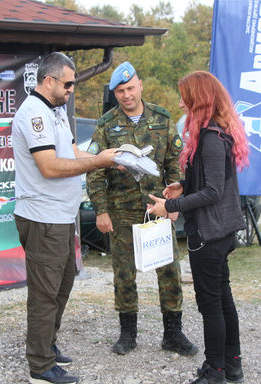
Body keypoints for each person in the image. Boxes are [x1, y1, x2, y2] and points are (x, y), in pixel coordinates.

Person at [12, 52, 119, 384]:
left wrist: (112, 158)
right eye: (69, 83)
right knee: (46, 291)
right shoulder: (33, 114)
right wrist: (98, 162)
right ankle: (40, 366)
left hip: (61, 215)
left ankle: (47, 343)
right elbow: (50, 166)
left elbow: (71, 154)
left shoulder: (56, 111)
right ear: (49, 81)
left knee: (63, 283)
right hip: (43, 217)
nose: (72, 89)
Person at [86, 61, 198, 357]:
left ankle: (173, 333)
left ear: (140, 85)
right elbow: (95, 170)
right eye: (120, 91)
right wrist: (101, 210)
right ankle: (127, 334)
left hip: (156, 207)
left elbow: (174, 160)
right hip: (120, 210)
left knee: (169, 269)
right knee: (124, 273)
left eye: (131, 88)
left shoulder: (161, 118)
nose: (126, 95)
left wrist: (174, 200)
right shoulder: (106, 124)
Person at [147, 71, 249, 384]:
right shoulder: (212, 134)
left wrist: (171, 207)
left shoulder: (211, 138)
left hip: (210, 234)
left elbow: (214, 192)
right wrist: (181, 185)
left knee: (211, 305)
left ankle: (214, 370)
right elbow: (206, 182)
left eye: (185, 96)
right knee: (222, 298)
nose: (180, 102)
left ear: (198, 99)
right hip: (219, 230)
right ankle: (231, 366)